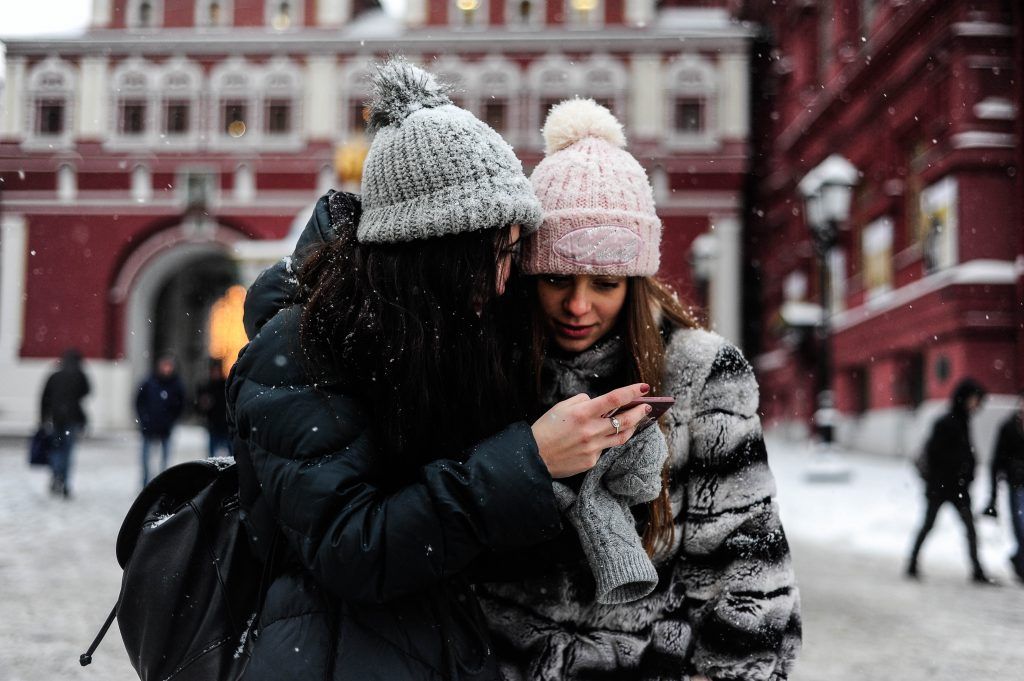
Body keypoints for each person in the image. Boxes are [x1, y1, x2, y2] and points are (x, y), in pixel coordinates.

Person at [225, 58, 651, 681]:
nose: (508, 279)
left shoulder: (442, 329)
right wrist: (529, 461)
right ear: (440, 254)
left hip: (438, 647)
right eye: (497, 256)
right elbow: (352, 547)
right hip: (327, 655)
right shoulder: (302, 349)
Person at [476, 99, 801, 680]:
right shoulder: (490, 366)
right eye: (555, 279)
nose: (579, 306)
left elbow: (743, 557)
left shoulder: (699, 372)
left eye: (605, 282)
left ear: (636, 280)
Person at [907, 377, 995, 584]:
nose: (977, 404)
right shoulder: (947, 422)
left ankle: (977, 570)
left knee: (969, 528)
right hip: (942, 487)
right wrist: (957, 471)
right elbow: (937, 455)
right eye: (975, 399)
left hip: (957, 487)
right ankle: (912, 562)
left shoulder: (963, 421)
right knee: (929, 525)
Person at [983, 390, 1024, 582]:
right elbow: (997, 461)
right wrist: (992, 494)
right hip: (1017, 485)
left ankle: (1018, 559)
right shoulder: (1008, 428)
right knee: (1021, 527)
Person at [39, 348, 91, 498]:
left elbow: (44, 398)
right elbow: (87, 391)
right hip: (72, 419)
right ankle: (65, 483)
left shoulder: (54, 376)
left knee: (56, 449)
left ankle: (56, 475)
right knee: (68, 451)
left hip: (56, 418)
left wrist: (43, 418)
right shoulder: (79, 375)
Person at [135, 353, 186, 486]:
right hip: (149, 426)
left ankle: (163, 485)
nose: (166, 369)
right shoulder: (149, 382)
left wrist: (171, 419)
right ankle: (145, 484)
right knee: (146, 459)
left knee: (165, 460)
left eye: (169, 366)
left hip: (166, 427)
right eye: (164, 365)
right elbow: (139, 401)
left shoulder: (176, 384)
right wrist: (143, 418)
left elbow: (181, 404)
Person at [195, 359, 231, 458]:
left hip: (227, 427)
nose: (215, 373)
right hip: (213, 426)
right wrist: (202, 405)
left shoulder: (227, 385)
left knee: (231, 457)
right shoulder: (206, 387)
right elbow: (199, 408)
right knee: (212, 457)